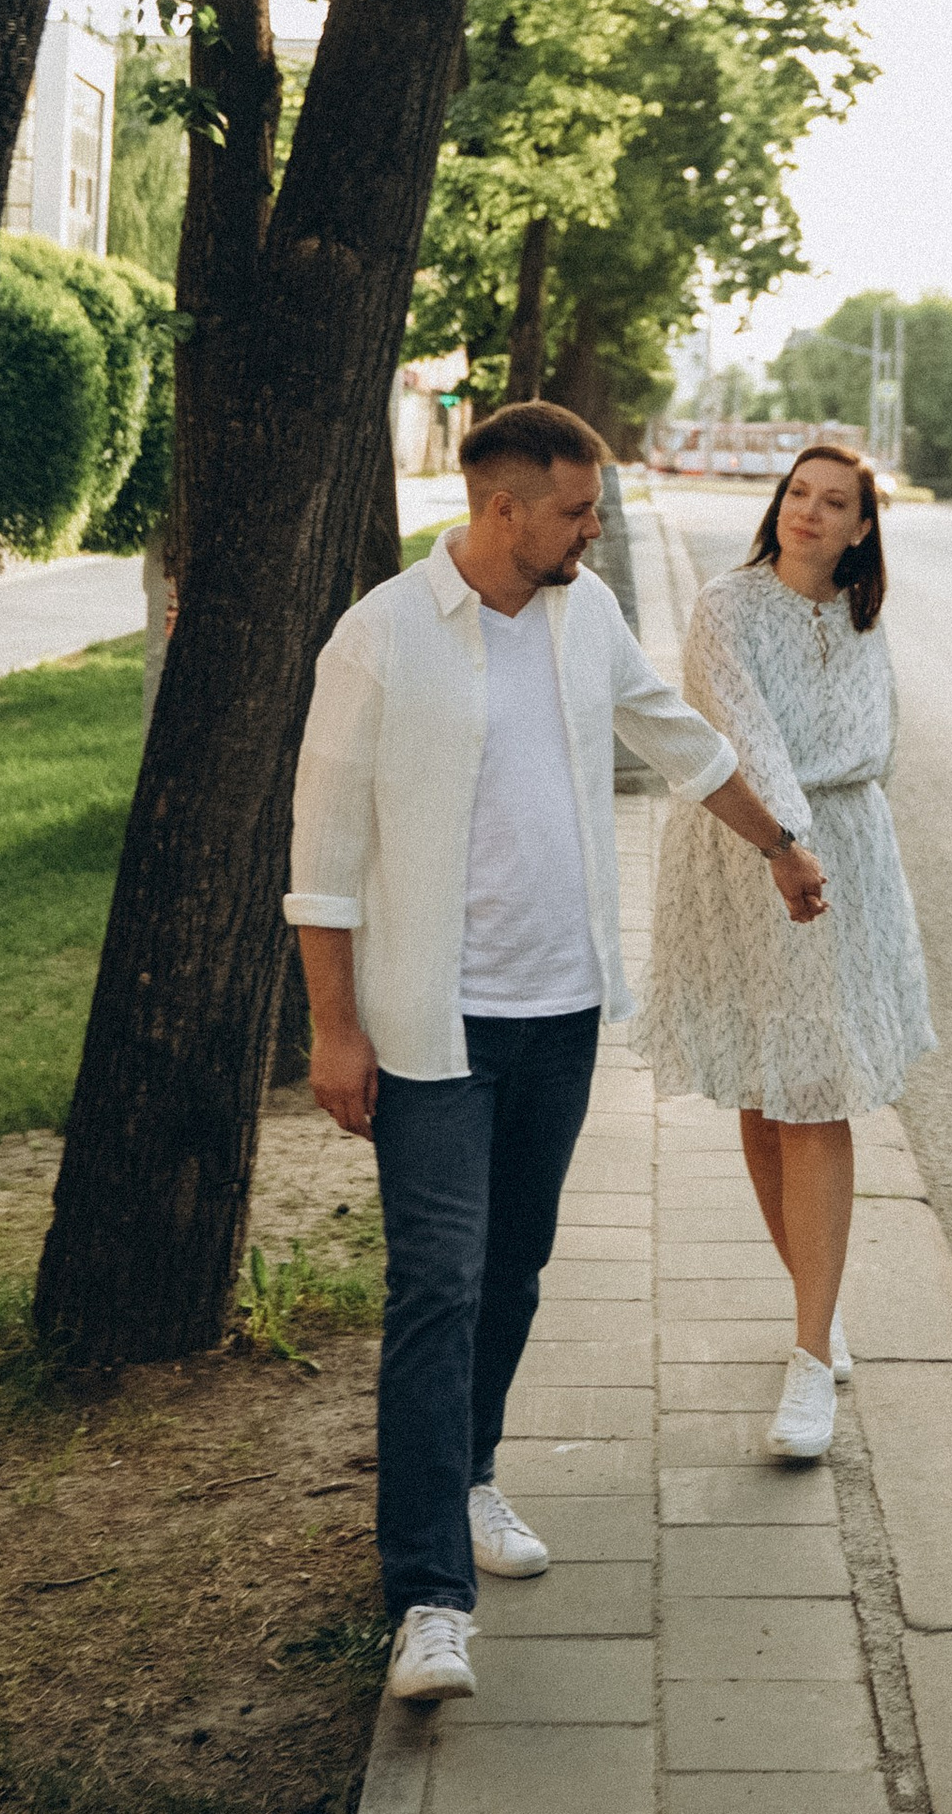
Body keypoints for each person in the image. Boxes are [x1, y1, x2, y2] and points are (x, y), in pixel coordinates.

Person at [287, 399, 828, 1704]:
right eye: (577, 511)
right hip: (431, 1024)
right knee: (438, 1285)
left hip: (561, 1007)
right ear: (501, 507)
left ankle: (469, 1478)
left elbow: (680, 739)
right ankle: (426, 1600)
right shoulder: (381, 640)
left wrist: (779, 842)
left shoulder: (585, 619)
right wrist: (334, 1026)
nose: (596, 528)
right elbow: (325, 857)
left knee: (514, 1271)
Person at [634, 444, 934, 1464]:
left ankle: (811, 1353)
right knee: (771, 1090)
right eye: (797, 494)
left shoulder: (863, 612)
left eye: (833, 501)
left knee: (816, 1090)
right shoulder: (725, 605)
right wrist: (786, 841)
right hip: (751, 848)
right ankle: (819, 1307)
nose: (808, 512)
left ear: (862, 526)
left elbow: (873, 736)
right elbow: (744, 738)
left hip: (843, 853)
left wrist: (819, 842)